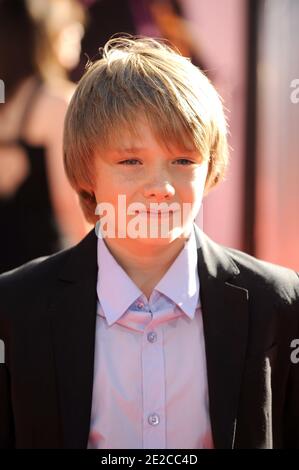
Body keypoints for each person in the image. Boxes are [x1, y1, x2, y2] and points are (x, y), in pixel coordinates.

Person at [0, 36, 298, 449]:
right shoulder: (15, 308)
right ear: (87, 170)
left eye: (183, 160)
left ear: (210, 167)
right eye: (130, 161)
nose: (160, 187)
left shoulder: (278, 303)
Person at [0, 0, 88, 274]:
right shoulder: (58, 102)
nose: (79, 35)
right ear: (48, 33)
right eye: (72, 27)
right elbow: (71, 207)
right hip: (42, 278)